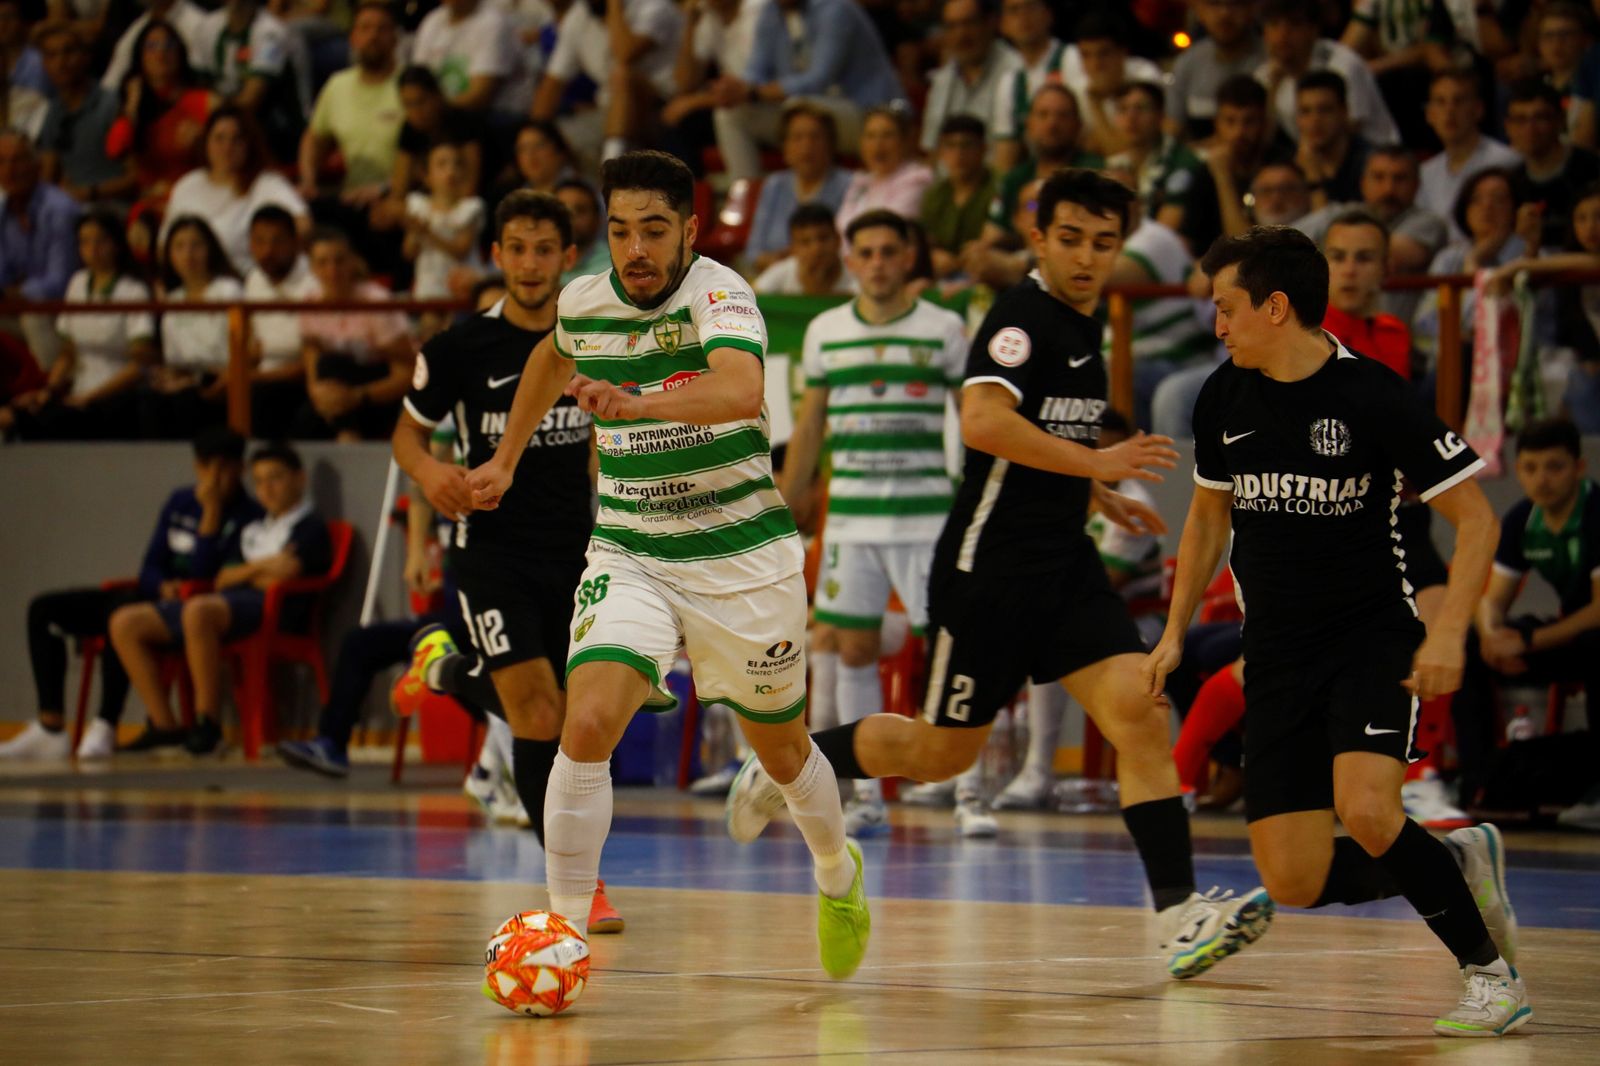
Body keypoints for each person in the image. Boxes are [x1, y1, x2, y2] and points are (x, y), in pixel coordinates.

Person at [728, 169, 1276, 980]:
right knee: (941, 755)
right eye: (1071, 240)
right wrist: (1096, 463)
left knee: (1138, 715)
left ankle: (1179, 917)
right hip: (990, 574)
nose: (1087, 258)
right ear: (1038, 237)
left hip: (1065, 568)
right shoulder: (1020, 319)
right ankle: (788, 760)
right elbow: (984, 422)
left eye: (1104, 243)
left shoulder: (1087, 324)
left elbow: (1042, 437)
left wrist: (1090, 490)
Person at [466, 150, 871, 979]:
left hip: (742, 559)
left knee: (784, 752)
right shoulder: (585, 300)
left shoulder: (721, 295)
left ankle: (837, 873)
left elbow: (739, 389)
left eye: (654, 230)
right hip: (633, 547)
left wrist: (636, 402)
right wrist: (506, 458)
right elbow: (552, 356)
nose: (636, 249)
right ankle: (563, 937)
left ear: (690, 229)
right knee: (586, 723)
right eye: (620, 231)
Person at [1143, 225, 1526, 1036]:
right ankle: (1457, 860)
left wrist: (1447, 635)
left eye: (1228, 308)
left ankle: (1491, 978)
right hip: (1275, 655)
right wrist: (1175, 632)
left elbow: (1477, 520)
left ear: (1276, 307)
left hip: (1369, 640)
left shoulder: (1371, 395)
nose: (1218, 324)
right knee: (1294, 879)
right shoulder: (1223, 394)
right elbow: (1208, 517)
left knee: (1369, 810)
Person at [387, 188, 630, 933]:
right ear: (496, 255)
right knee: (539, 713)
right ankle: (578, 885)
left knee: (576, 720)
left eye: (544, 250)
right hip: (491, 554)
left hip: (577, 554)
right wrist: (432, 474)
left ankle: (443, 670)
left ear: (567, 258)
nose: (529, 264)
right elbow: (406, 437)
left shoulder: (591, 336)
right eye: (516, 249)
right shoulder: (460, 347)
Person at [778, 208, 969, 834]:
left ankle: (968, 790)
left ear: (908, 258)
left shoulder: (944, 328)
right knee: (853, 648)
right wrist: (788, 499)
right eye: (867, 252)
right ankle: (866, 797)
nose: (879, 262)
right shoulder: (826, 331)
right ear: (851, 260)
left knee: (952, 648)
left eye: (890, 251)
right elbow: (810, 423)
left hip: (926, 520)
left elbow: (972, 421)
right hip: (852, 524)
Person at [0, 428, 257, 762]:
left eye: (224, 467)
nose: (214, 477)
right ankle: (50, 727)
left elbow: (205, 576)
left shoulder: (248, 515)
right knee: (44, 609)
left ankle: (106, 723)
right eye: (206, 466)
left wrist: (211, 515)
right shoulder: (179, 502)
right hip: (152, 595)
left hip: (188, 607)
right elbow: (150, 565)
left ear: (240, 468)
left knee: (121, 614)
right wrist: (160, 585)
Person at [110, 441, 331, 755]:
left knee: (198, 611)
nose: (267, 489)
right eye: (259, 481)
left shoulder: (311, 527)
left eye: (275, 478)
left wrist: (248, 573)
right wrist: (261, 567)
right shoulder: (254, 528)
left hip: (272, 612)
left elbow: (286, 573)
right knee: (126, 622)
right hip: (228, 604)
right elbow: (224, 577)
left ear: (299, 478)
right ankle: (164, 725)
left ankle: (207, 722)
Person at [993, 409, 1165, 808]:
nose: (1104, 458)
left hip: (1139, 620)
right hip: (1082, 612)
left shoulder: (1134, 504)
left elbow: (1103, 581)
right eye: (1096, 449)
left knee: (1054, 652)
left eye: (1113, 449)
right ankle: (965, 771)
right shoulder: (1070, 493)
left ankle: (1037, 771)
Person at [1453, 419, 1600, 813]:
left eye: (1555, 467)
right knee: (1469, 648)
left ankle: (1592, 789)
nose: (1542, 480)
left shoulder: (1595, 514)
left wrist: (1529, 642)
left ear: (1579, 467)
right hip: (1570, 634)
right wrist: (1492, 637)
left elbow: (1599, 610)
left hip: (1593, 633)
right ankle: (1479, 783)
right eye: (1531, 468)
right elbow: (1492, 600)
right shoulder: (1522, 519)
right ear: (1517, 470)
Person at [2, 209, 154, 441]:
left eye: (101, 240)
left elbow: (139, 366)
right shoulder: (78, 283)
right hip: (78, 391)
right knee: (26, 409)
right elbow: (68, 353)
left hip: (117, 397)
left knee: (40, 422)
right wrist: (48, 391)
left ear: (117, 244)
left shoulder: (134, 290)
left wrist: (90, 397)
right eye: (85, 241)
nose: (93, 249)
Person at [710, 0, 902, 180]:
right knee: (729, 115)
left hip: (869, 113)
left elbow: (818, 80)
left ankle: (812, 193)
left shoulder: (835, 8)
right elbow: (756, 70)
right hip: (814, 109)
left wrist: (753, 93)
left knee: (799, 110)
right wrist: (736, 89)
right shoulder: (772, 11)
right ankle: (746, 195)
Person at [293, 226, 415, 441]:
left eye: (339, 261)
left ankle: (347, 435)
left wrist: (357, 396)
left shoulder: (377, 302)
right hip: (337, 396)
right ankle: (346, 433)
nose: (332, 270)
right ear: (311, 267)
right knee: (305, 414)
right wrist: (324, 399)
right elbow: (314, 373)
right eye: (322, 263)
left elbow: (407, 372)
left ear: (352, 261)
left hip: (378, 393)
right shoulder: (310, 305)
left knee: (331, 365)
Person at [160, 106, 309, 274]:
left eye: (236, 139)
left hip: (246, 279)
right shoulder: (187, 185)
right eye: (219, 139)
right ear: (206, 142)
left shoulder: (266, 184)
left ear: (248, 145)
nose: (227, 147)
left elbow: (303, 226)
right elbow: (164, 245)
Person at [103, 17, 217, 211]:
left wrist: (202, 143)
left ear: (180, 53)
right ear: (140, 56)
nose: (161, 53)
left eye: (169, 45)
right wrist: (131, 108)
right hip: (150, 202)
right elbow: (115, 151)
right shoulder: (135, 105)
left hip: (196, 199)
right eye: (152, 46)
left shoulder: (206, 102)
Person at [144, 214, 240, 440]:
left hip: (221, 380)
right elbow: (174, 361)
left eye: (196, 245)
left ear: (211, 249)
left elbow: (242, 347)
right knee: (147, 397)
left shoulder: (228, 290)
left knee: (185, 400)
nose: (188, 254)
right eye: (179, 247)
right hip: (185, 379)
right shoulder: (172, 301)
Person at [1256, 0, 1399, 148]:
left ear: (1313, 31)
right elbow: (1263, 140)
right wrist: (1273, 88)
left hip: (1374, 152)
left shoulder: (1344, 65)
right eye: (1273, 25)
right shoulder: (1265, 75)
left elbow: (1347, 133)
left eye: (1295, 24)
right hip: (1313, 153)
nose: (1282, 35)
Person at [190, 0, 311, 163]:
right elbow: (196, 88)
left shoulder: (272, 33)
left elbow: (250, 101)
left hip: (278, 124)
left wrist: (212, 112)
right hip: (226, 113)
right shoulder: (207, 27)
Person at [745, 104, 854, 273]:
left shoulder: (850, 184)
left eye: (815, 137)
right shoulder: (774, 185)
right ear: (784, 146)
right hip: (777, 279)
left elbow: (852, 248)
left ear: (830, 143)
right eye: (797, 138)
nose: (806, 146)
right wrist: (780, 264)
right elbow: (753, 252)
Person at [35, 20, 136, 204]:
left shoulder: (112, 105)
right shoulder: (53, 111)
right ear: (44, 64)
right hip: (70, 208)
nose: (61, 62)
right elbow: (48, 173)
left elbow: (137, 176)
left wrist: (90, 192)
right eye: (51, 55)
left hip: (112, 208)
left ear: (85, 57)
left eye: (68, 52)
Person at [1417, 70, 1522, 241]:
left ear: (1478, 109)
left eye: (1458, 101)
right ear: (1430, 114)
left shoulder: (1505, 161)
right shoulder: (1425, 172)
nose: (1449, 111)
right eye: (1441, 102)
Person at [241, 204, 313, 439]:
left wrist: (251, 378)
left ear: (295, 242)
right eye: (259, 241)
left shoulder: (315, 279)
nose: (268, 251)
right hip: (262, 376)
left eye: (277, 241)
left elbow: (313, 361)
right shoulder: (254, 279)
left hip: (301, 380)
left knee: (259, 395)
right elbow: (253, 343)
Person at [1506, 77, 1600, 250]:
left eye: (1540, 118)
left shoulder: (1592, 168)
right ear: (1508, 127)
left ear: (1560, 120)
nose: (1530, 128)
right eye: (1520, 119)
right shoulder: (1512, 182)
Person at [918, 0, 1020, 158]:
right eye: (951, 27)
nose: (961, 35)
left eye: (969, 23)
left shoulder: (1015, 72)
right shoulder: (942, 80)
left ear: (990, 22)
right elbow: (931, 148)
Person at [402, 140, 485, 331]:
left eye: (457, 164)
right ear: (426, 175)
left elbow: (461, 250)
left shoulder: (471, 207)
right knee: (429, 329)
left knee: (457, 330)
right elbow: (408, 252)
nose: (451, 171)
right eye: (442, 164)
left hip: (464, 291)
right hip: (430, 289)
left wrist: (427, 233)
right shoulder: (417, 206)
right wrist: (414, 233)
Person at [1166, 0, 1264, 142]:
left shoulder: (1271, 61)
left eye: (1235, 4)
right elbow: (1171, 130)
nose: (1224, 13)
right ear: (1199, 11)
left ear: (1252, 9)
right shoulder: (1187, 62)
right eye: (1214, 4)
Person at [835, 105, 933, 237]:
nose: (878, 145)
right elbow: (840, 227)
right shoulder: (861, 181)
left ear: (904, 141)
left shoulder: (917, 179)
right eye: (871, 136)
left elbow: (886, 231)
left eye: (887, 135)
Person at [921, 114, 998, 279]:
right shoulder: (934, 195)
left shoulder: (1000, 187)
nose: (958, 154)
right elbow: (926, 240)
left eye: (967, 145)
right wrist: (933, 254)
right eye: (950, 146)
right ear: (941, 151)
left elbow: (1030, 208)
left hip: (989, 275)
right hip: (942, 275)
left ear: (983, 149)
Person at [992, 0, 1063, 171]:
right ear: (1003, 24)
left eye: (1031, 6)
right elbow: (1005, 155)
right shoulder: (1009, 82)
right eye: (1014, 10)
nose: (1023, 16)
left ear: (1048, 14)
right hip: (1037, 173)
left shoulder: (1073, 59)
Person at [1293, 71, 1369, 212]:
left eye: (1325, 110)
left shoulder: (1369, 164)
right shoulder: (1290, 167)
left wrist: (1313, 181)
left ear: (1344, 111)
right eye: (1305, 111)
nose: (1315, 120)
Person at [752, 203, 856, 296]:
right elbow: (749, 300)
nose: (816, 248)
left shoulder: (856, 273)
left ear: (838, 239)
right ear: (792, 248)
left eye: (823, 238)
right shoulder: (781, 272)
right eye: (805, 242)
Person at [554, 177, 610, 282]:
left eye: (580, 210)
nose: (570, 218)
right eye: (562, 211)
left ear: (597, 219)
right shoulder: (540, 260)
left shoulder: (611, 265)